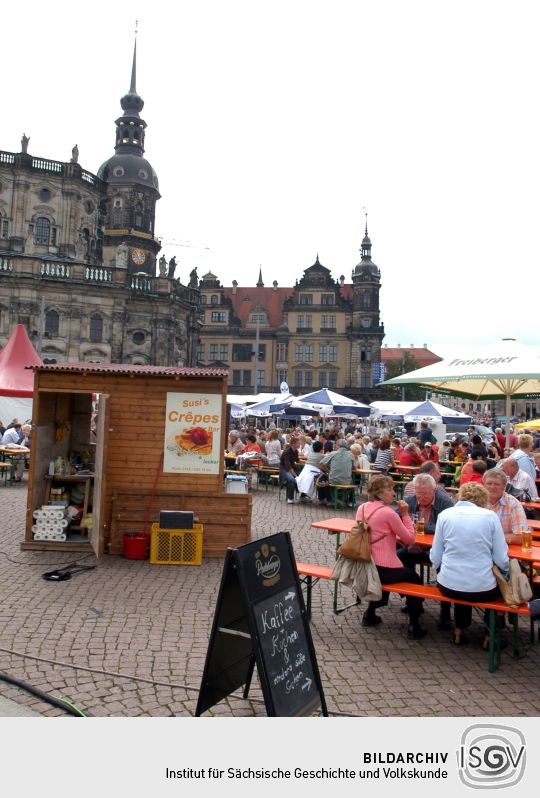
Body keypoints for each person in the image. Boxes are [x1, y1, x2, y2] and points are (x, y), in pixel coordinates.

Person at [430, 482, 509, 645]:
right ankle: (489, 635)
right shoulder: (490, 516)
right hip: (482, 588)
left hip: (448, 586)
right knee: (496, 584)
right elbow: (502, 559)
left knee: (463, 579)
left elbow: (435, 556)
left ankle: (459, 630)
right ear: (482, 499)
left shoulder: (445, 515)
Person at [360, 475, 426, 639]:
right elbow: (410, 539)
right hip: (383, 569)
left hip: (367, 564)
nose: (394, 493)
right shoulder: (388, 513)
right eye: (389, 490)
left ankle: (370, 613)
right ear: (379, 493)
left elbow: (376, 533)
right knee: (414, 578)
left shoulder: (362, 508)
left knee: (403, 565)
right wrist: (405, 514)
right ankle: (414, 623)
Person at [483, 469, 528, 545]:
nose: (492, 487)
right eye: (489, 483)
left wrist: (491, 538)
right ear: (484, 485)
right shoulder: (477, 503)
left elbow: (521, 537)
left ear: (504, 486)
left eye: (496, 484)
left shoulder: (513, 504)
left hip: (506, 551)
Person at [317, 439, 355, 506]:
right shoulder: (351, 455)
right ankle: (343, 499)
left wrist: (328, 471)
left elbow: (321, 463)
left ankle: (334, 499)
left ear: (338, 445)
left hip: (333, 480)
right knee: (351, 483)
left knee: (326, 479)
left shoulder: (333, 453)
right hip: (346, 481)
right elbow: (354, 467)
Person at [280, 437, 301, 504]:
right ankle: (290, 498)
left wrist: (306, 462)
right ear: (293, 444)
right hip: (284, 469)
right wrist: (296, 476)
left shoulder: (296, 451)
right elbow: (288, 466)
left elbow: (297, 460)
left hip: (292, 468)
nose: (300, 444)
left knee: (304, 477)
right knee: (292, 479)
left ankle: (303, 496)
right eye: (298, 443)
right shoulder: (287, 452)